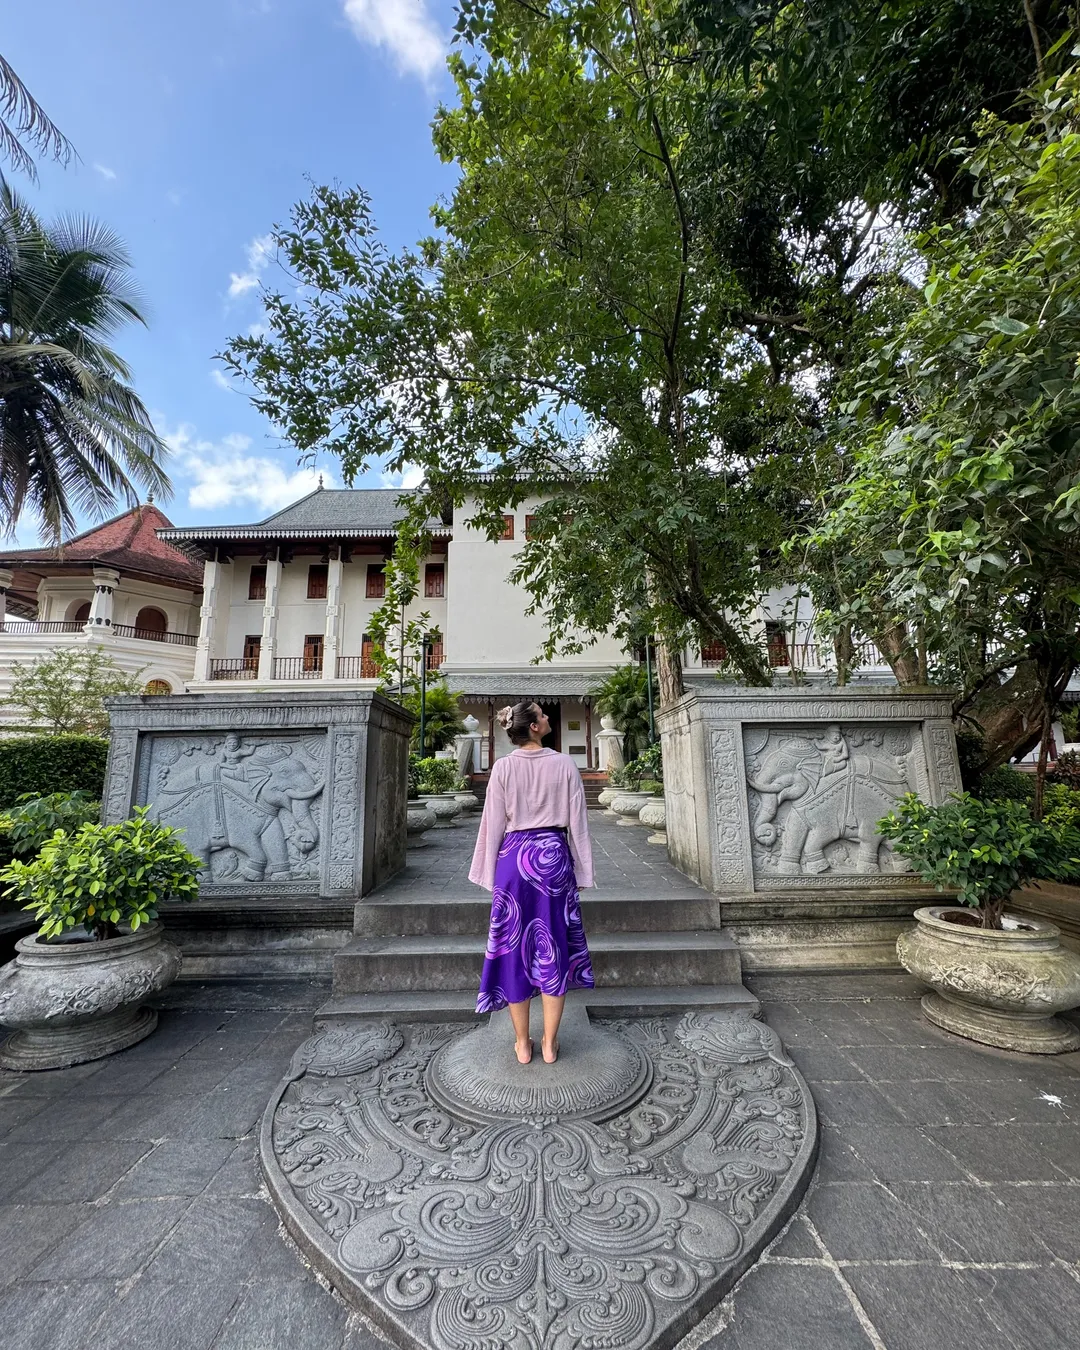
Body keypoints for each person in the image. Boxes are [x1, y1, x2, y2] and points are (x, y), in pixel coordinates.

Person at [468, 700, 595, 1064]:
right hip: (553, 860)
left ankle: (522, 1044)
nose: (547, 716)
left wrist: (489, 874)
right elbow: (578, 823)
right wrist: (583, 872)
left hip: (513, 862)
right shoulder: (565, 764)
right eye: (542, 714)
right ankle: (550, 1043)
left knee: (514, 949)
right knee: (553, 946)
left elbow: (492, 822)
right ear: (535, 727)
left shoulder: (503, 767)